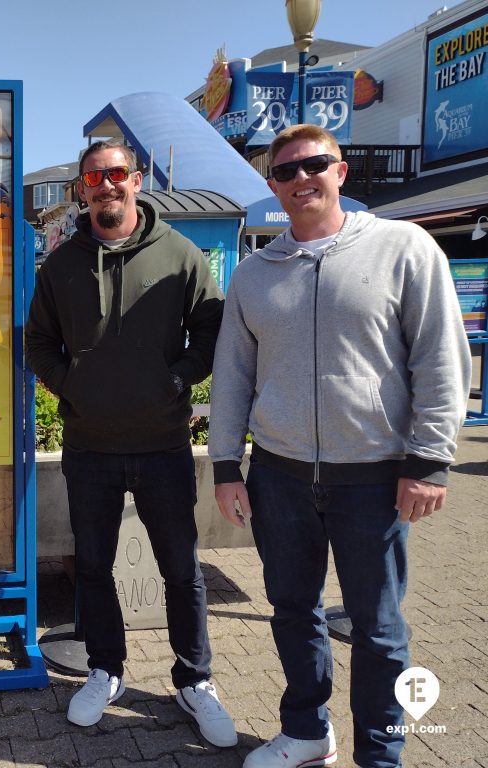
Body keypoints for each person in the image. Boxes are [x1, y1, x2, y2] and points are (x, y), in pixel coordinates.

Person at [209, 124, 472, 768]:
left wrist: (430, 460)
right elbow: (233, 376)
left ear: (341, 171)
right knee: (292, 609)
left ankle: (381, 753)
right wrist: (225, 466)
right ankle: (305, 731)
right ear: (272, 185)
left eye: (314, 165)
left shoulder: (403, 248)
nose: (302, 180)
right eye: (287, 172)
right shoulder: (253, 273)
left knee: (378, 628)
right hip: (280, 475)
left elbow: (440, 360)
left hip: (374, 477)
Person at [25, 140, 235, 745]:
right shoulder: (61, 265)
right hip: (90, 446)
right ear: (82, 189)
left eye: (116, 173)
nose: (106, 185)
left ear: (136, 179)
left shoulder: (180, 254)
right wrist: (72, 386)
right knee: (93, 567)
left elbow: (211, 326)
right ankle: (105, 669)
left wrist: (178, 377)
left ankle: (194, 680)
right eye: (95, 176)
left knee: (181, 570)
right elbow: (38, 340)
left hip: (162, 445)